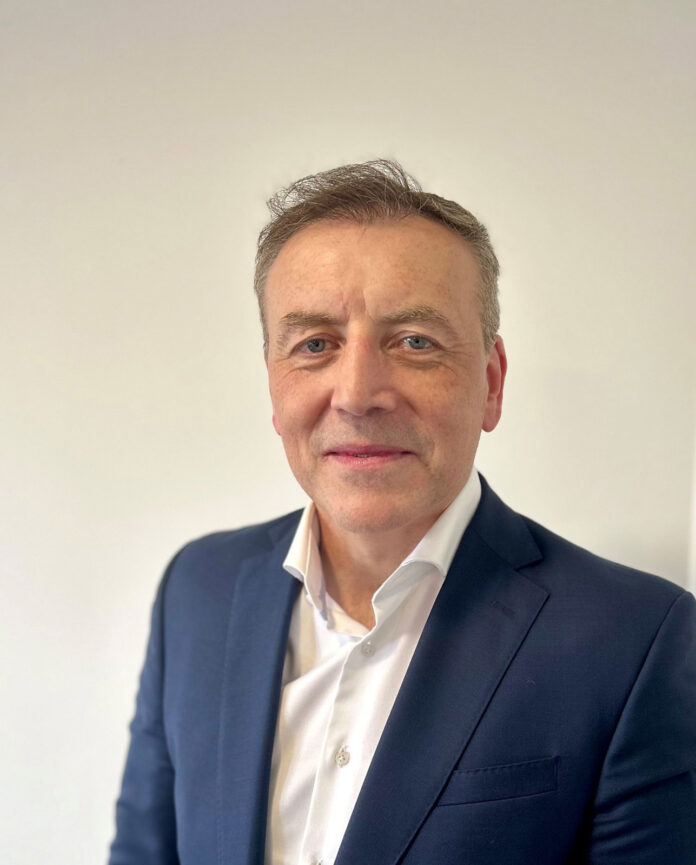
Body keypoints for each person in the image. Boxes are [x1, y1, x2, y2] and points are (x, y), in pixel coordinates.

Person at [108, 160, 696, 865]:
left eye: (415, 341)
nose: (358, 394)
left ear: (491, 384)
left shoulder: (638, 640)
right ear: (273, 384)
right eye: (315, 344)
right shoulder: (196, 590)